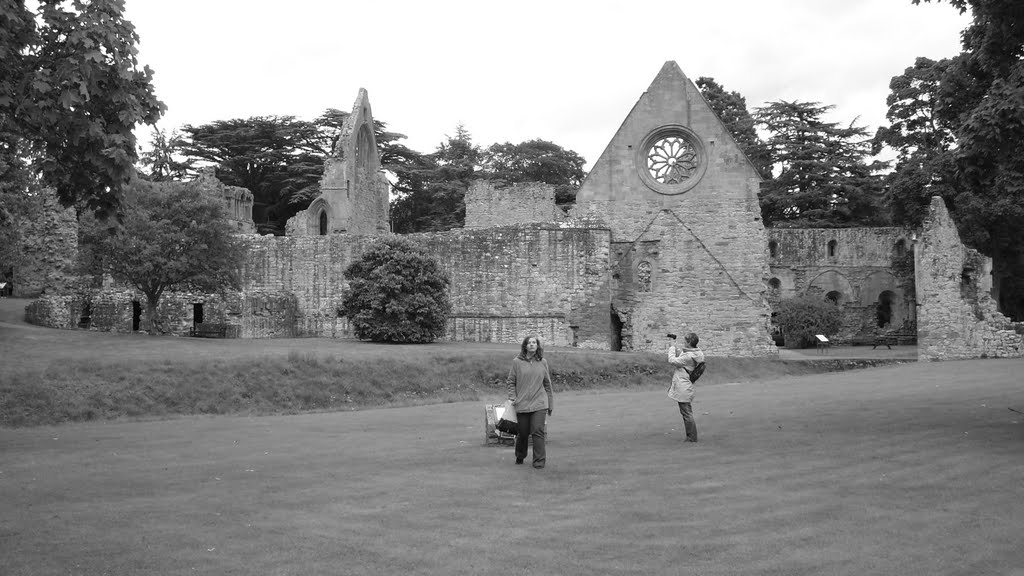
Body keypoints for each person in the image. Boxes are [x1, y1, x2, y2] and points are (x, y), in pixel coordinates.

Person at [505, 335, 554, 469]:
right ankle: (520, 455)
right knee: (523, 433)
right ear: (525, 346)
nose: (532, 345)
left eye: (534, 343)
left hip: (540, 403)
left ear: (537, 346)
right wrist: (513, 396)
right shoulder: (517, 362)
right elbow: (510, 381)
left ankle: (539, 463)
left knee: (538, 431)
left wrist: (550, 404)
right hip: (522, 404)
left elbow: (547, 384)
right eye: (529, 343)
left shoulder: (543, 362)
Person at [667, 332, 705, 443]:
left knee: (686, 413)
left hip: (683, 385)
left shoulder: (689, 356)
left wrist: (672, 347)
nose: (684, 342)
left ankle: (692, 437)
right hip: (685, 384)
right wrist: (676, 347)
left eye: (685, 341)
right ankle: (691, 436)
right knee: (686, 412)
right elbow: (683, 357)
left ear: (689, 342)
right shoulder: (696, 352)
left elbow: (673, 360)